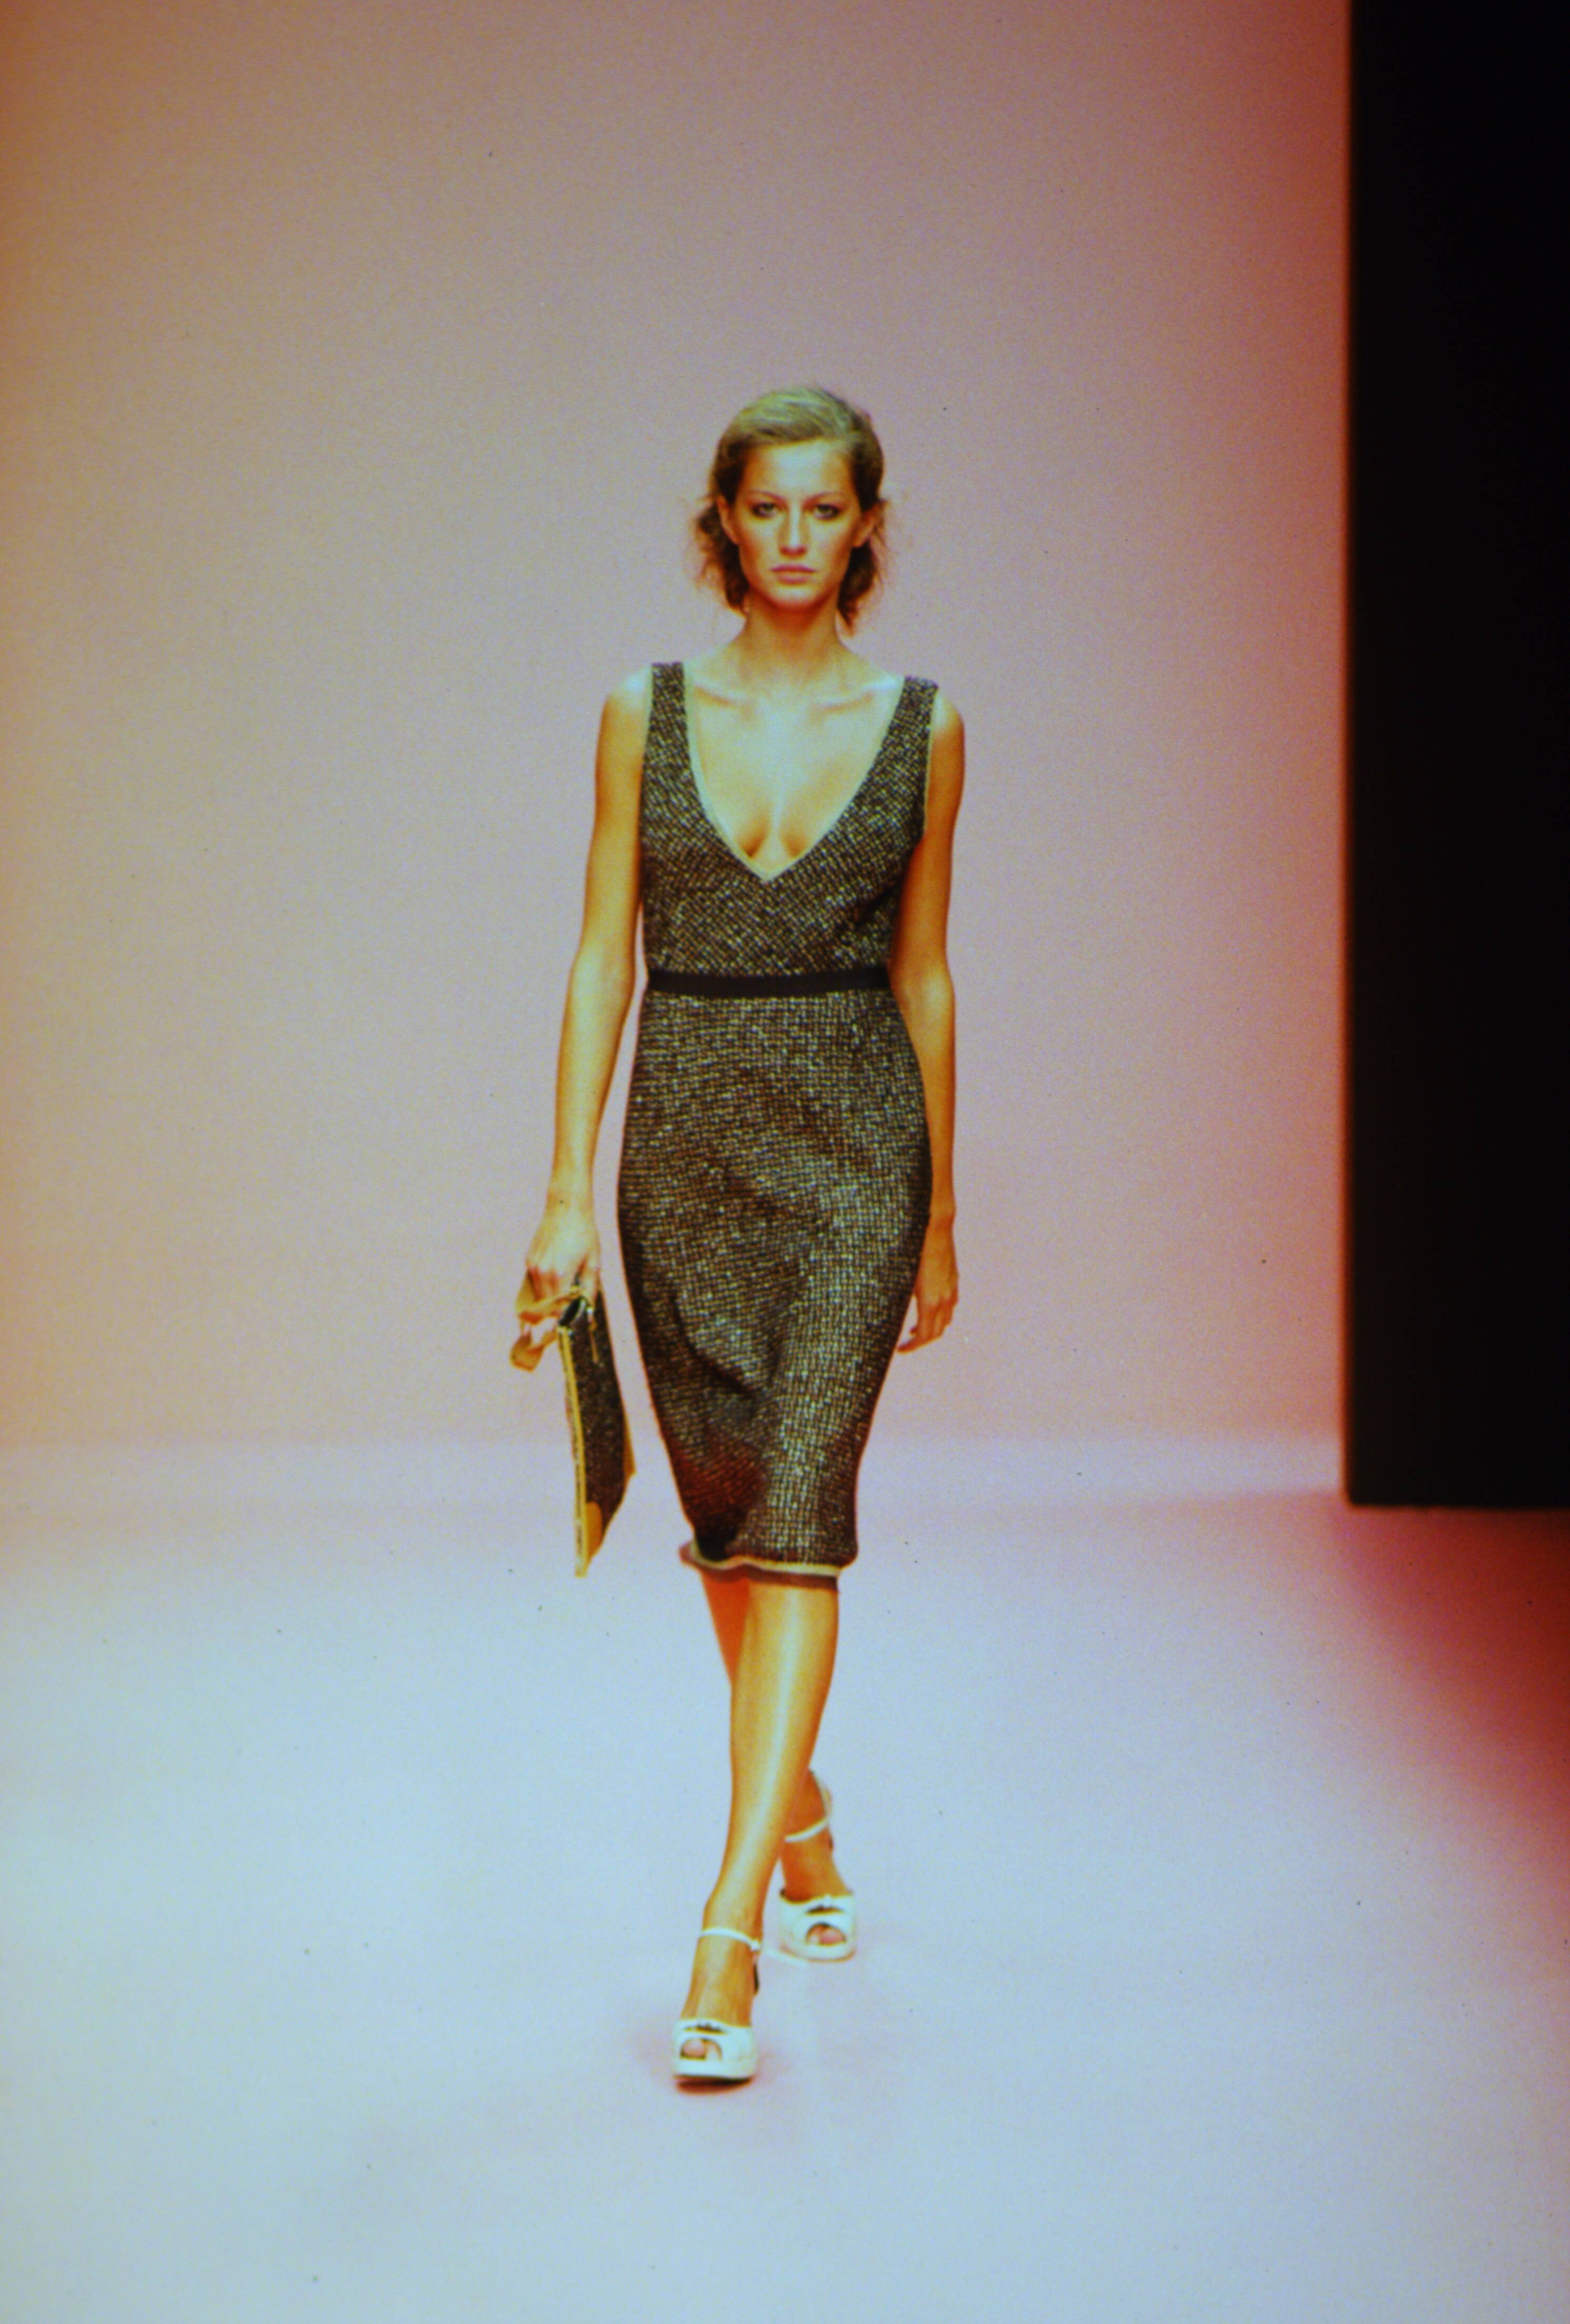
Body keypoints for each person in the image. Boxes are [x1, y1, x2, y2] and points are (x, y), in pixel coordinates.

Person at [519, 385, 963, 2083]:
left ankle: (725, 1932)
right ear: (725, 521)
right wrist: (566, 1190)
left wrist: (937, 1208)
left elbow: (924, 973)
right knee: (727, 1521)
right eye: (764, 507)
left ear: (865, 526)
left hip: (855, 1148)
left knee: (802, 1523)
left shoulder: (925, 728)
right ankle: (806, 1822)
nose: (792, 536)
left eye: (821, 509)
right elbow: (598, 956)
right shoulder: (644, 712)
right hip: (683, 1152)